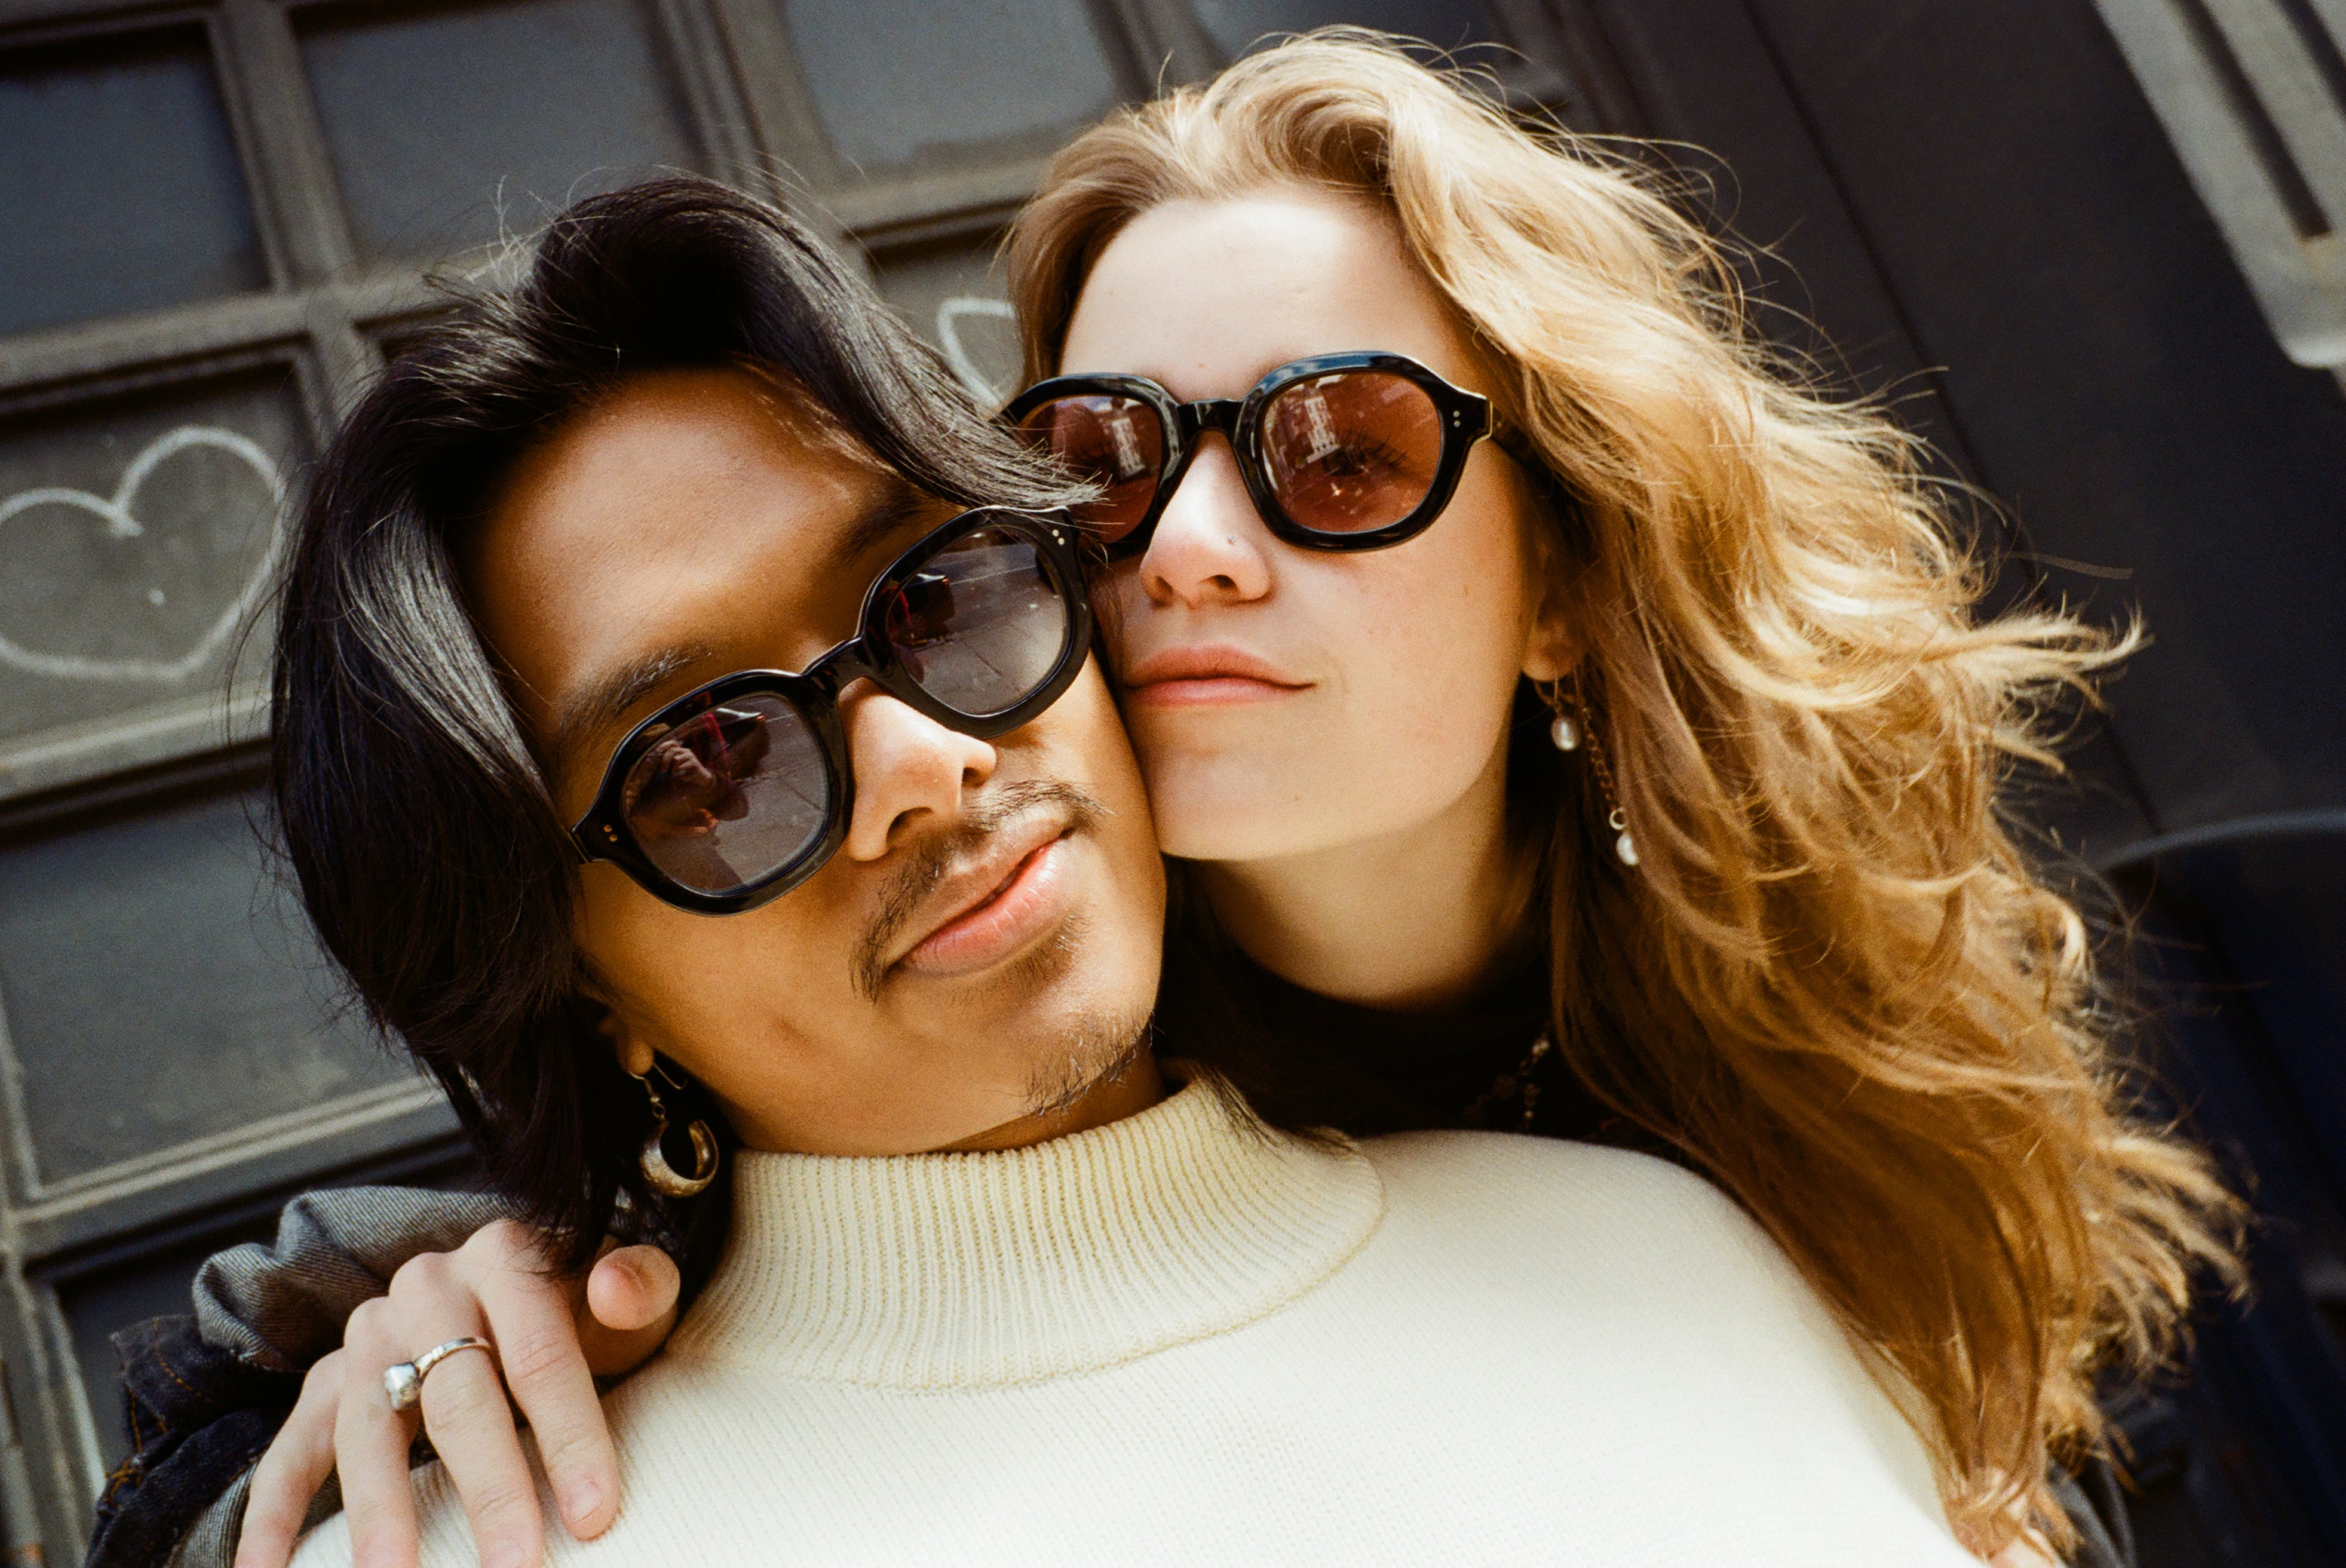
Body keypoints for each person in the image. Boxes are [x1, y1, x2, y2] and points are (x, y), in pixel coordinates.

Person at [93, 33, 2230, 1568]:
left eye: (1345, 458)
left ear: (1570, 581)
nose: (928, 759)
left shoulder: (1709, 1218)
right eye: (710, 763)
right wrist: (302, 1390)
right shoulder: (504, 1466)